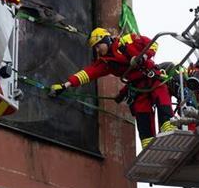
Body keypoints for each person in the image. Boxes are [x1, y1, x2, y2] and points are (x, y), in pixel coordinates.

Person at [49, 27, 177, 149]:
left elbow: (151, 44)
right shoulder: (106, 63)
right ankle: (149, 150)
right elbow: (87, 73)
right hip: (137, 89)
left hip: (153, 79)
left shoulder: (128, 40)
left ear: (105, 39)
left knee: (163, 107)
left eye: (98, 46)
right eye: (95, 48)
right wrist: (65, 85)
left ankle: (170, 135)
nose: (97, 51)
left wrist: (143, 57)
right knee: (143, 120)